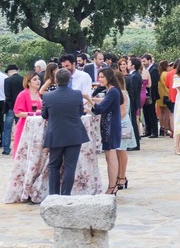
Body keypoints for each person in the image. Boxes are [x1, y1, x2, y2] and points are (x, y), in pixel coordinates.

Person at [42, 68, 90, 196]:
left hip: (56, 134)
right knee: (70, 166)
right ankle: (65, 194)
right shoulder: (77, 95)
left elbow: (44, 114)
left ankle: (53, 195)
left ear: (56, 80)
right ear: (69, 80)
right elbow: (80, 112)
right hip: (74, 134)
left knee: (54, 166)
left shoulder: (47, 96)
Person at [87, 68, 123, 193]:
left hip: (111, 126)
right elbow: (103, 103)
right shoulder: (111, 91)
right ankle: (113, 185)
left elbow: (100, 108)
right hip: (108, 125)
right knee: (109, 156)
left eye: (102, 77)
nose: (100, 80)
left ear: (109, 77)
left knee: (111, 156)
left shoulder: (113, 91)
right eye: (99, 77)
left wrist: (88, 98)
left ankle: (112, 187)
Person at [11, 72, 43, 158]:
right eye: (35, 79)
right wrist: (33, 114)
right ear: (29, 82)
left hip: (37, 126)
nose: (38, 81)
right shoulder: (23, 94)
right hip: (25, 126)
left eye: (39, 79)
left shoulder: (38, 94)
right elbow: (17, 113)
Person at [2, 64, 23, 155]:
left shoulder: (7, 80)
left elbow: (8, 95)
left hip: (11, 107)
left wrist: (11, 106)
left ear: (9, 72)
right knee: (21, 128)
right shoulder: (23, 79)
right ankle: (20, 146)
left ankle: (6, 148)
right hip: (21, 108)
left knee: (7, 129)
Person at [143, 53, 160, 138]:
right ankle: (148, 130)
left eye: (145, 61)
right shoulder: (144, 70)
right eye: (142, 61)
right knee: (146, 112)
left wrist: (152, 95)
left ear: (149, 60)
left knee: (152, 113)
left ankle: (154, 131)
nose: (143, 63)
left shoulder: (154, 70)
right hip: (145, 94)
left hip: (151, 95)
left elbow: (154, 84)